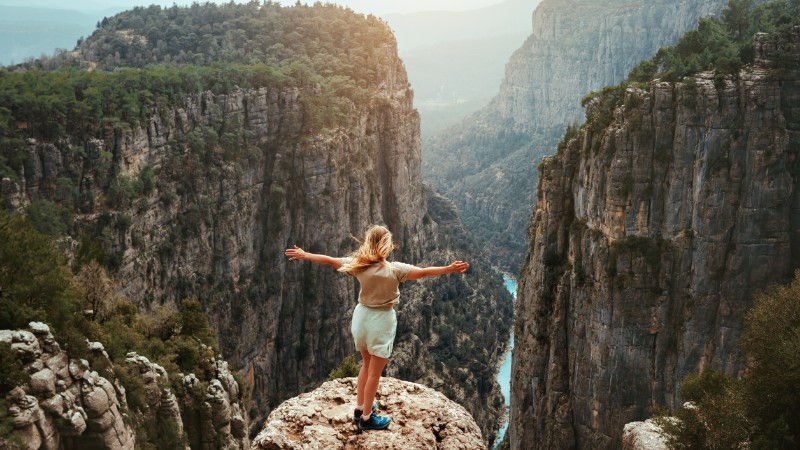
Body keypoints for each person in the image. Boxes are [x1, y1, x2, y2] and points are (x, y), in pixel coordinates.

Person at [284, 224, 469, 431]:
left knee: (365, 364)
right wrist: (449, 269)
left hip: (361, 317)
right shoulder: (394, 269)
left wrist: (304, 254)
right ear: (386, 245)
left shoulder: (358, 264)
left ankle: (360, 407)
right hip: (381, 321)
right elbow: (424, 273)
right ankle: (366, 418)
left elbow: (329, 260)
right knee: (374, 373)